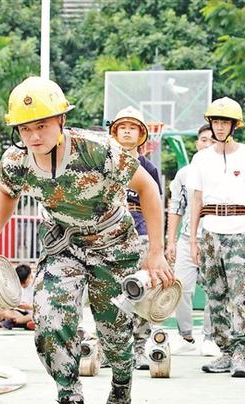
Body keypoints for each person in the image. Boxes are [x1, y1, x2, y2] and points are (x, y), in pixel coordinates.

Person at [0, 77, 174, 404]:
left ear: (60, 121)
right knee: (50, 317)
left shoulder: (97, 149)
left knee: (113, 331)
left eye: (42, 125)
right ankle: (71, 402)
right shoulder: (17, 160)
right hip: (63, 246)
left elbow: (148, 189)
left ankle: (121, 379)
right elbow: (7, 193)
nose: (34, 136)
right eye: (25, 129)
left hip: (113, 244)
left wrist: (157, 251)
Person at [187, 97, 245, 378]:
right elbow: (196, 200)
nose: (220, 127)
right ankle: (224, 350)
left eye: (225, 122)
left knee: (241, 292)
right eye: (216, 121)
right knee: (215, 293)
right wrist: (193, 240)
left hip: (239, 229)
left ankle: (240, 351)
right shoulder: (200, 158)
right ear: (210, 124)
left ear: (235, 125)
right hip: (210, 229)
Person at [109, 107, 163, 370]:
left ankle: (140, 347)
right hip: (109, 236)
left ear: (141, 134)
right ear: (114, 132)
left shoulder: (148, 168)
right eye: (122, 127)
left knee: (141, 290)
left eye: (133, 127)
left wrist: (157, 245)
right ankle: (111, 350)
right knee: (109, 291)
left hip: (139, 233)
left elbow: (154, 205)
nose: (127, 131)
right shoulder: (104, 162)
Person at [166, 124, 220, 357]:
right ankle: (186, 336)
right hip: (187, 239)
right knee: (181, 288)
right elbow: (176, 208)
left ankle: (209, 338)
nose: (206, 143)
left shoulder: (223, 172)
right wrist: (171, 241)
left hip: (213, 237)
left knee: (213, 290)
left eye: (211, 140)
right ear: (197, 143)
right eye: (203, 140)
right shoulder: (184, 174)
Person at [0, 263, 35, 330]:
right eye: (20, 283)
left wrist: (29, 307)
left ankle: (16, 322)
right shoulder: (14, 284)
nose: (22, 285)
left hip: (34, 313)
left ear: (30, 276)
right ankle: (22, 323)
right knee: (5, 312)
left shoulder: (38, 285)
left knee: (34, 316)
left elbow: (42, 308)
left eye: (24, 283)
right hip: (23, 314)